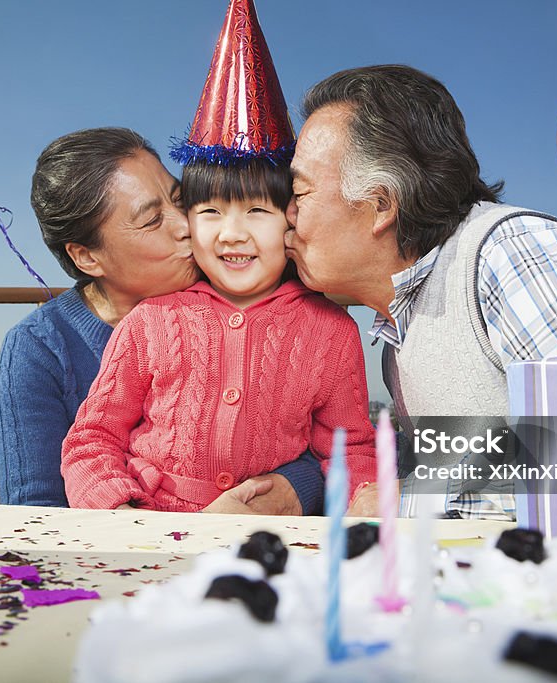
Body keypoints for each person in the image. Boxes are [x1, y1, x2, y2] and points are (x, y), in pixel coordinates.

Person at [285, 65, 557, 519]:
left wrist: (410, 501)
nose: (285, 214)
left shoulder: (518, 255)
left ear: (381, 205)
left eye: (299, 192)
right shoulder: (401, 328)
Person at [60, 0, 376, 512]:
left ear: (290, 218)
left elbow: (349, 447)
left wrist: (364, 498)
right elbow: (92, 439)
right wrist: (124, 521)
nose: (231, 234)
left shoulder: (332, 332)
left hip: (267, 543)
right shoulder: (150, 321)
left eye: (256, 211)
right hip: (153, 540)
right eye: (209, 211)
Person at [0, 127, 323, 515]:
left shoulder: (259, 298)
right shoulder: (38, 349)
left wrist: (294, 488)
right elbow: (34, 514)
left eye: (180, 200)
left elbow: (336, 444)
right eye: (152, 220)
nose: (186, 226)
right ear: (87, 258)